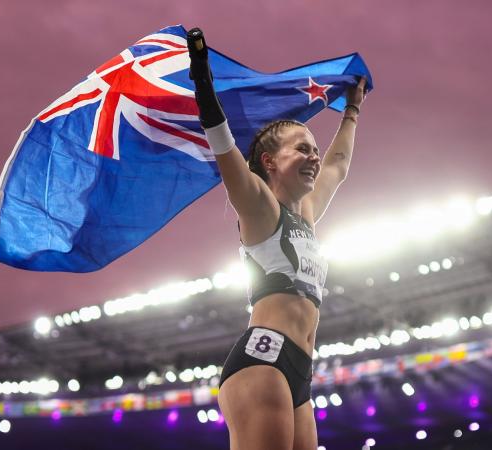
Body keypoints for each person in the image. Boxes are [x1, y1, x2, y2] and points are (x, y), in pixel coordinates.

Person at [187, 28, 366, 450]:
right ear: (269, 161)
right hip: (263, 359)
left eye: (313, 150)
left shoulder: (306, 215)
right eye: (302, 149)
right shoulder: (261, 210)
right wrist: (202, 80)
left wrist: (353, 110)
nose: (314, 157)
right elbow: (224, 147)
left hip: (300, 372)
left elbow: (338, 164)